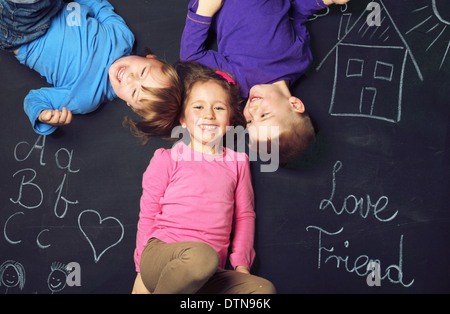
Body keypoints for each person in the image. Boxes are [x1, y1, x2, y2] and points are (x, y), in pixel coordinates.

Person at [131, 61, 275, 294]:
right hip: (161, 256)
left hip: (208, 272)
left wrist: (241, 266)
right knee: (201, 257)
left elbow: (245, 216)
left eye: (218, 108)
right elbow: (147, 213)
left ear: (229, 121)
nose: (208, 114)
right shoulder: (168, 158)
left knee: (262, 290)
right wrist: (140, 272)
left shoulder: (237, 163)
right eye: (198, 107)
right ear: (183, 120)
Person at [180, 0, 350, 165]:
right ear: (295, 104)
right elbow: (296, 13)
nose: (252, 110)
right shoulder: (299, 61)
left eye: (250, 121)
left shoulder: (237, 81)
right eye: (264, 115)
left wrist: (205, 9)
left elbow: (191, 56)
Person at [0, 0, 180, 135]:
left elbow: (35, 98)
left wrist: (43, 116)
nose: (129, 78)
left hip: (22, 33)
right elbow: (99, 7)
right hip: (52, 6)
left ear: (130, 104)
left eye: (133, 92)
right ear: (150, 58)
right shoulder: (123, 36)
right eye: (142, 72)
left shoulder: (86, 98)